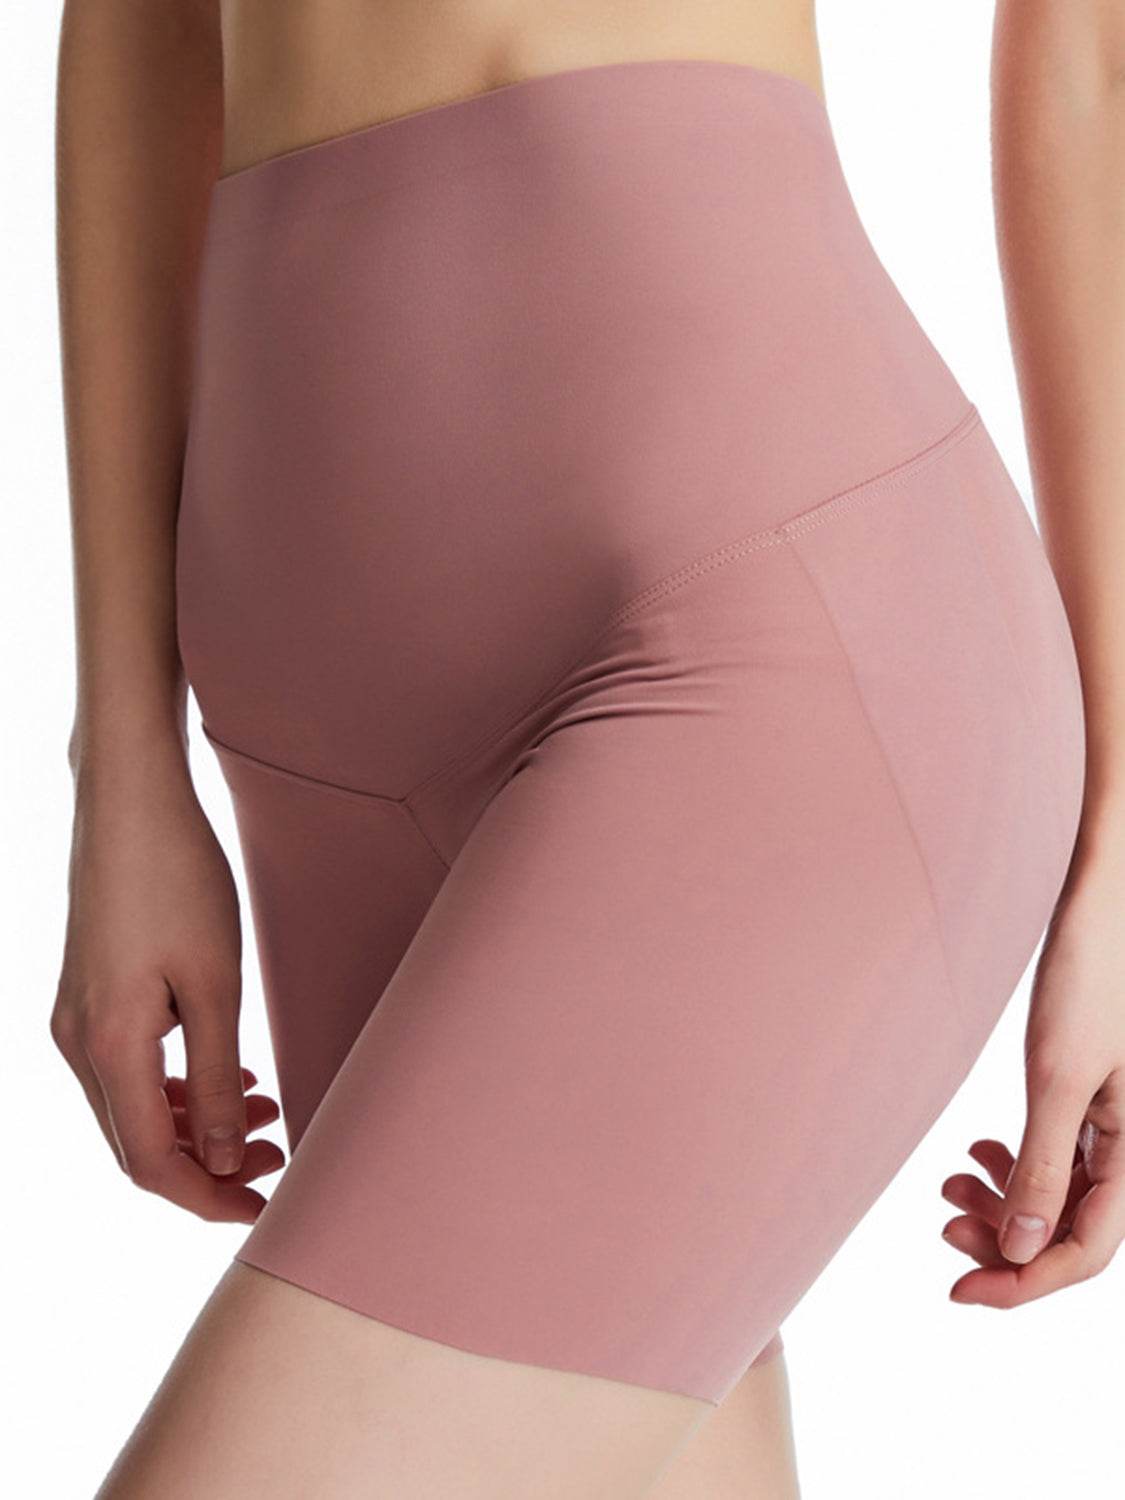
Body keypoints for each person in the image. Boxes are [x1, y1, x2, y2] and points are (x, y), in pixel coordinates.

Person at [51, 2, 1124, 1496]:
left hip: (756, 631)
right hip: (307, 746)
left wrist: (1123, 831)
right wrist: (122, 757)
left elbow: (1089, 59)